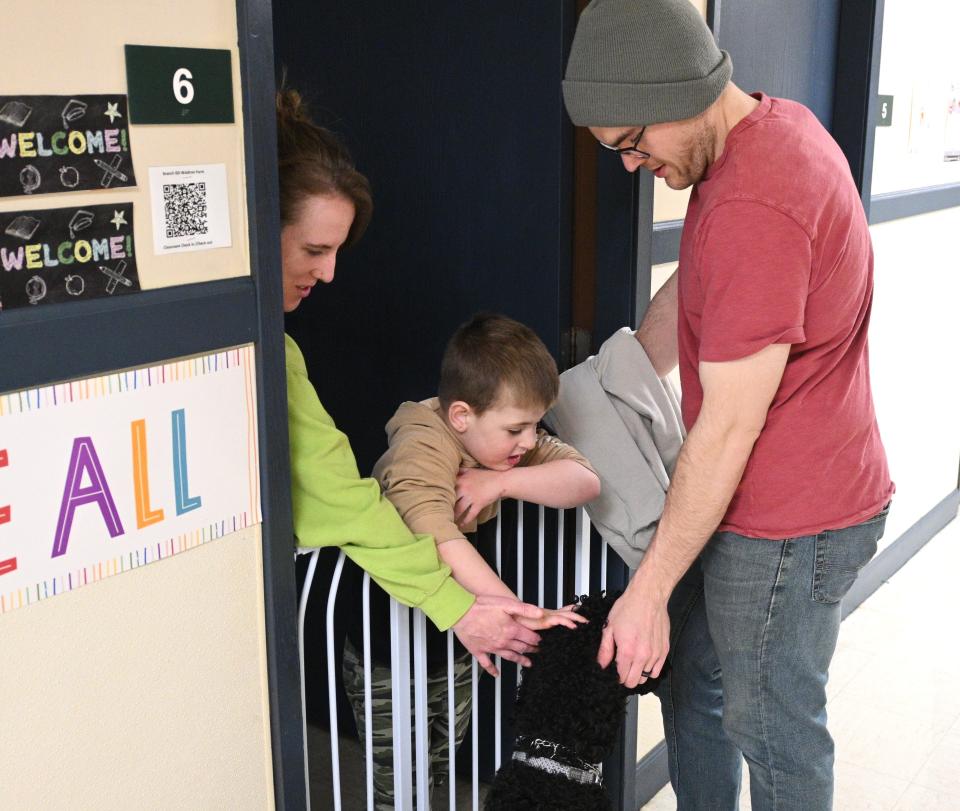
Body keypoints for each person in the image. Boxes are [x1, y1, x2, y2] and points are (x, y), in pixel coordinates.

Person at [561, 2, 895, 809]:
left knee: (773, 730)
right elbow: (706, 287)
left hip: (789, 524)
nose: (632, 166)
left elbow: (731, 423)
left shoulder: (756, 202)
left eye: (632, 144)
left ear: (679, 90)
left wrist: (645, 593)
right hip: (767, 502)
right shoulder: (763, 137)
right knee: (696, 685)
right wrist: (616, 377)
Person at [276, 88, 549, 680]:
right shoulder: (416, 438)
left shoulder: (280, 348)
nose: (327, 273)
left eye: (337, 252)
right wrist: (467, 608)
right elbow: (348, 499)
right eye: (315, 250)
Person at [341, 312, 600, 810]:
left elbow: (584, 480)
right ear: (462, 416)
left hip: (459, 638)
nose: (528, 441)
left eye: (534, 426)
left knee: (441, 756)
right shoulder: (422, 439)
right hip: (386, 642)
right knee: (398, 773)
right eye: (516, 429)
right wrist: (516, 610)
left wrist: (500, 482)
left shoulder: (502, 444)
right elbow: (432, 530)